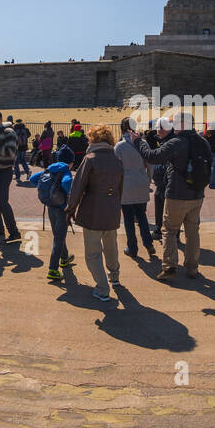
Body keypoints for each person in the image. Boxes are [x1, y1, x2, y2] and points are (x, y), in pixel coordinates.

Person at [148, 120, 214, 281]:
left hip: (177, 194)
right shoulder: (202, 141)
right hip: (197, 194)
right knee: (192, 232)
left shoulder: (177, 142)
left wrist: (138, 142)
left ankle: (169, 267)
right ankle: (192, 267)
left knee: (169, 230)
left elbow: (153, 156)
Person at [70, 125, 127, 304]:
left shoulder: (90, 158)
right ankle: (114, 276)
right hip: (112, 210)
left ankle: (102, 288)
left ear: (93, 140)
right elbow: (120, 188)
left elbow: (78, 186)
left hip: (93, 211)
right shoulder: (117, 160)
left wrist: (71, 208)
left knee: (93, 254)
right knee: (111, 247)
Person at [112, 123, 161, 268]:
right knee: (141, 215)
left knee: (128, 218)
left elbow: (116, 167)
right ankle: (148, 243)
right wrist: (148, 179)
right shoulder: (143, 143)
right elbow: (150, 164)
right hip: (141, 180)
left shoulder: (119, 146)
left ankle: (132, 248)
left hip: (126, 183)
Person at [30, 153, 74, 285]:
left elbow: (33, 178)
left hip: (50, 207)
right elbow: (66, 183)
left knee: (58, 234)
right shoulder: (65, 171)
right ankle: (53, 269)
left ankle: (64, 258)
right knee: (58, 238)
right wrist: (68, 194)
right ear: (69, 162)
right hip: (61, 209)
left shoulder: (50, 169)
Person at [0, 113, 26, 243]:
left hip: (4, 171)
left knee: (2, 202)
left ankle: (14, 232)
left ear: (0, 120)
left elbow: (9, 153)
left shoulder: (9, 132)